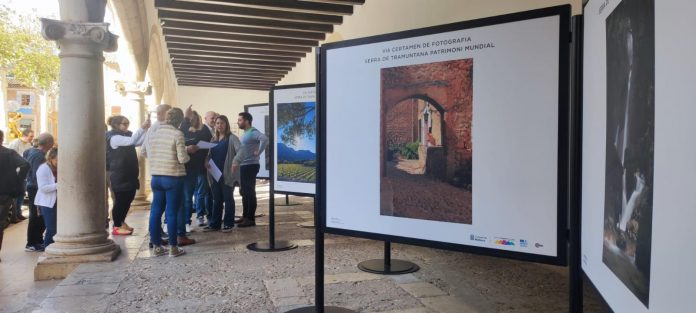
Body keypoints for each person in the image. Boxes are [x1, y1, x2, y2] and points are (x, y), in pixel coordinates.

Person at [147, 107, 189, 257]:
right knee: (171, 213)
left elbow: (146, 153)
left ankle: (157, 247)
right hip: (173, 177)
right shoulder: (177, 134)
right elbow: (182, 158)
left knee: (155, 212)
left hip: (156, 177)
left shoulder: (154, 134)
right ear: (179, 120)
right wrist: (188, 151)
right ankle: (173, 248)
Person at [106, 115, 150, 235]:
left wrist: (146, 131)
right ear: (116, 125)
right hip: (119, 174)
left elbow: (139, 141)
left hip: (129, 173)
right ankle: (116, 225)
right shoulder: (114, 137)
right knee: (120, 201)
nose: (127, 126)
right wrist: (142, 128)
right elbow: (131, 141)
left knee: (129, 198)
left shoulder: (126, 135)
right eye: (124, 124)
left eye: (127, 124)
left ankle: (121, 221)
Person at [203, 115, 241, 232]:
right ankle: (215, 224)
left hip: (227, 174)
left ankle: (228, 223)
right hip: (214, 173)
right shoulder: (213, 139)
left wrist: (235, 161)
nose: (220, 125)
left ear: (227, 124)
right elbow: (208, 155)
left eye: (222, 123)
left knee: (228, 198)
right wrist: (206, 162)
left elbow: (241, 151)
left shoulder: (232, 138)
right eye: (218, 123)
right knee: (217, 199)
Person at [233, 112, 268, 227]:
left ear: (247, 121)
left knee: (249, 192)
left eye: (240, 120)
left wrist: (259, 151)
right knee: (243, 192)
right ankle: (245, 216)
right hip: (244, 166)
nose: (238, 122)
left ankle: (251, 219)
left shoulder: (253, 132)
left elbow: (265, 139)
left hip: (250, 166)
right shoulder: (245, 134)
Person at [180, 107, 213, 229]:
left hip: (202, 166)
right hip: (188, 167)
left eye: (194, 118)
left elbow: (211, 144)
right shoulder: (183, 129)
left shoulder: (204, 130)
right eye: (190, 118)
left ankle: (202, 216)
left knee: (202, 193)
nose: (192, 120)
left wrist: (205, 155)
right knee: (188, 196)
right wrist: (188, 148)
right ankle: (187, 221)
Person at [0, 130, 29, 262]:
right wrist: (17, 180)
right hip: (4, 193)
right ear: (2, 139)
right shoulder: (9, 153)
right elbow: (25, 164)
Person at [23, 133, 55, 252]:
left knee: (37, 215)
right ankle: (32, 242)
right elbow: (38, 175)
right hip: (36, 188)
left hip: (32, 186)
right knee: (36, 216)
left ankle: (36, 240)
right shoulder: (40, 156)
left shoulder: (30, 151)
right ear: (49, 143)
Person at [8, 128, 34, 222]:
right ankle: (14, 216)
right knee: (16, 195)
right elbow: (10, 159)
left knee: (21, 194)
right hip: (16, 173)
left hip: (24, 173)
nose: (32, 138)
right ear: (24, 136)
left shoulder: (29, 145)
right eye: (31, 136)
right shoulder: (15, 143)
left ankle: (18, 214)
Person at [35, 148, 58, 248]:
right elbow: (43, 188)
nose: (60, 162)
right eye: (58, 160)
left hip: (57, 202)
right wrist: (59, 185)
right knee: (52, 228)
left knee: (56, 228)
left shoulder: (57, 167)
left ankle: (51, 247)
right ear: (51, 158)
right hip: (47, 203)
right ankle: (47, 248)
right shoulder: (43, 169)